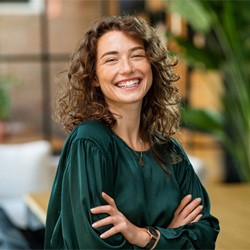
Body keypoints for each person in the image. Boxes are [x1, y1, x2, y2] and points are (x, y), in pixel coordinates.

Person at [44, 15, 219, 249]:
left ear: (152, 65)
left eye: (137, 55)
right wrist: (171, 235)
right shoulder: (90, 142)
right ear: (94, 77)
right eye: (111, 60)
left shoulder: (169, 150)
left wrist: (144, 236)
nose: (127, 68)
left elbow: (205, 235)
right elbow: (93, 246)